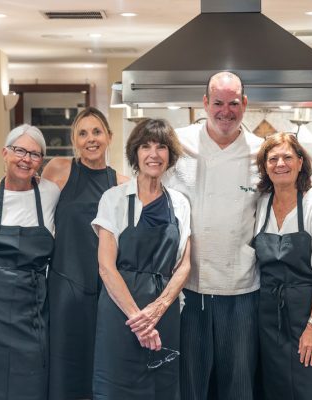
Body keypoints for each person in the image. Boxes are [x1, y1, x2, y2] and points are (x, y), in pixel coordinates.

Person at [164, 71, 263, 400]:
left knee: (239, 384)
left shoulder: (261, 153)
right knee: (190, 383)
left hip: (242, 288)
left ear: (244, 104)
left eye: (233, 103)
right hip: (189, 288)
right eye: (217, 102)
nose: (225, 111)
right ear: (204, 103)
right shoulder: (178, 143)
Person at [91, 118, 191, 399]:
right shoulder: (114, 199)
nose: (153, 154)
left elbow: (185, 264)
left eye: (161, 147)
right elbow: (106, 267)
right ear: (135, 153)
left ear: (170, 155)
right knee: (117, 386)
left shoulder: (180, 203)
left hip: (164, 312)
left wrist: (157, 310)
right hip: (121, 314)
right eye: (145, 146)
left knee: (162, 387)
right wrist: (139, 319)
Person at [42, 107, 127, 400]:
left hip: (107, 293)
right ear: (74, 140)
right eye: (82, 133)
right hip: (64, 288)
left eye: (96, 131)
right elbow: (32, 211)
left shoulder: (123, 183)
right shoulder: (58, 169)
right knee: (64, 370)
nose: (90, 139)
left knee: (103, 368)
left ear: (109, 137)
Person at [253, 133, 312, 400]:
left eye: (288, 157)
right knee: (274, 388)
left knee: (310, 387)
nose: (280, 163)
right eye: (273, 158)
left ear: (300, 163)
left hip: (309, 312)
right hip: (269, 317)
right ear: (265, 167)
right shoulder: (261, 205)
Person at [0, 125, 60, 400]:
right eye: (20, 150)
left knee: (33, 380)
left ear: (41, 161)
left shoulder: (51, 193)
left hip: (33, 307)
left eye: (35, 154)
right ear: (5, 153)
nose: (26, 159)